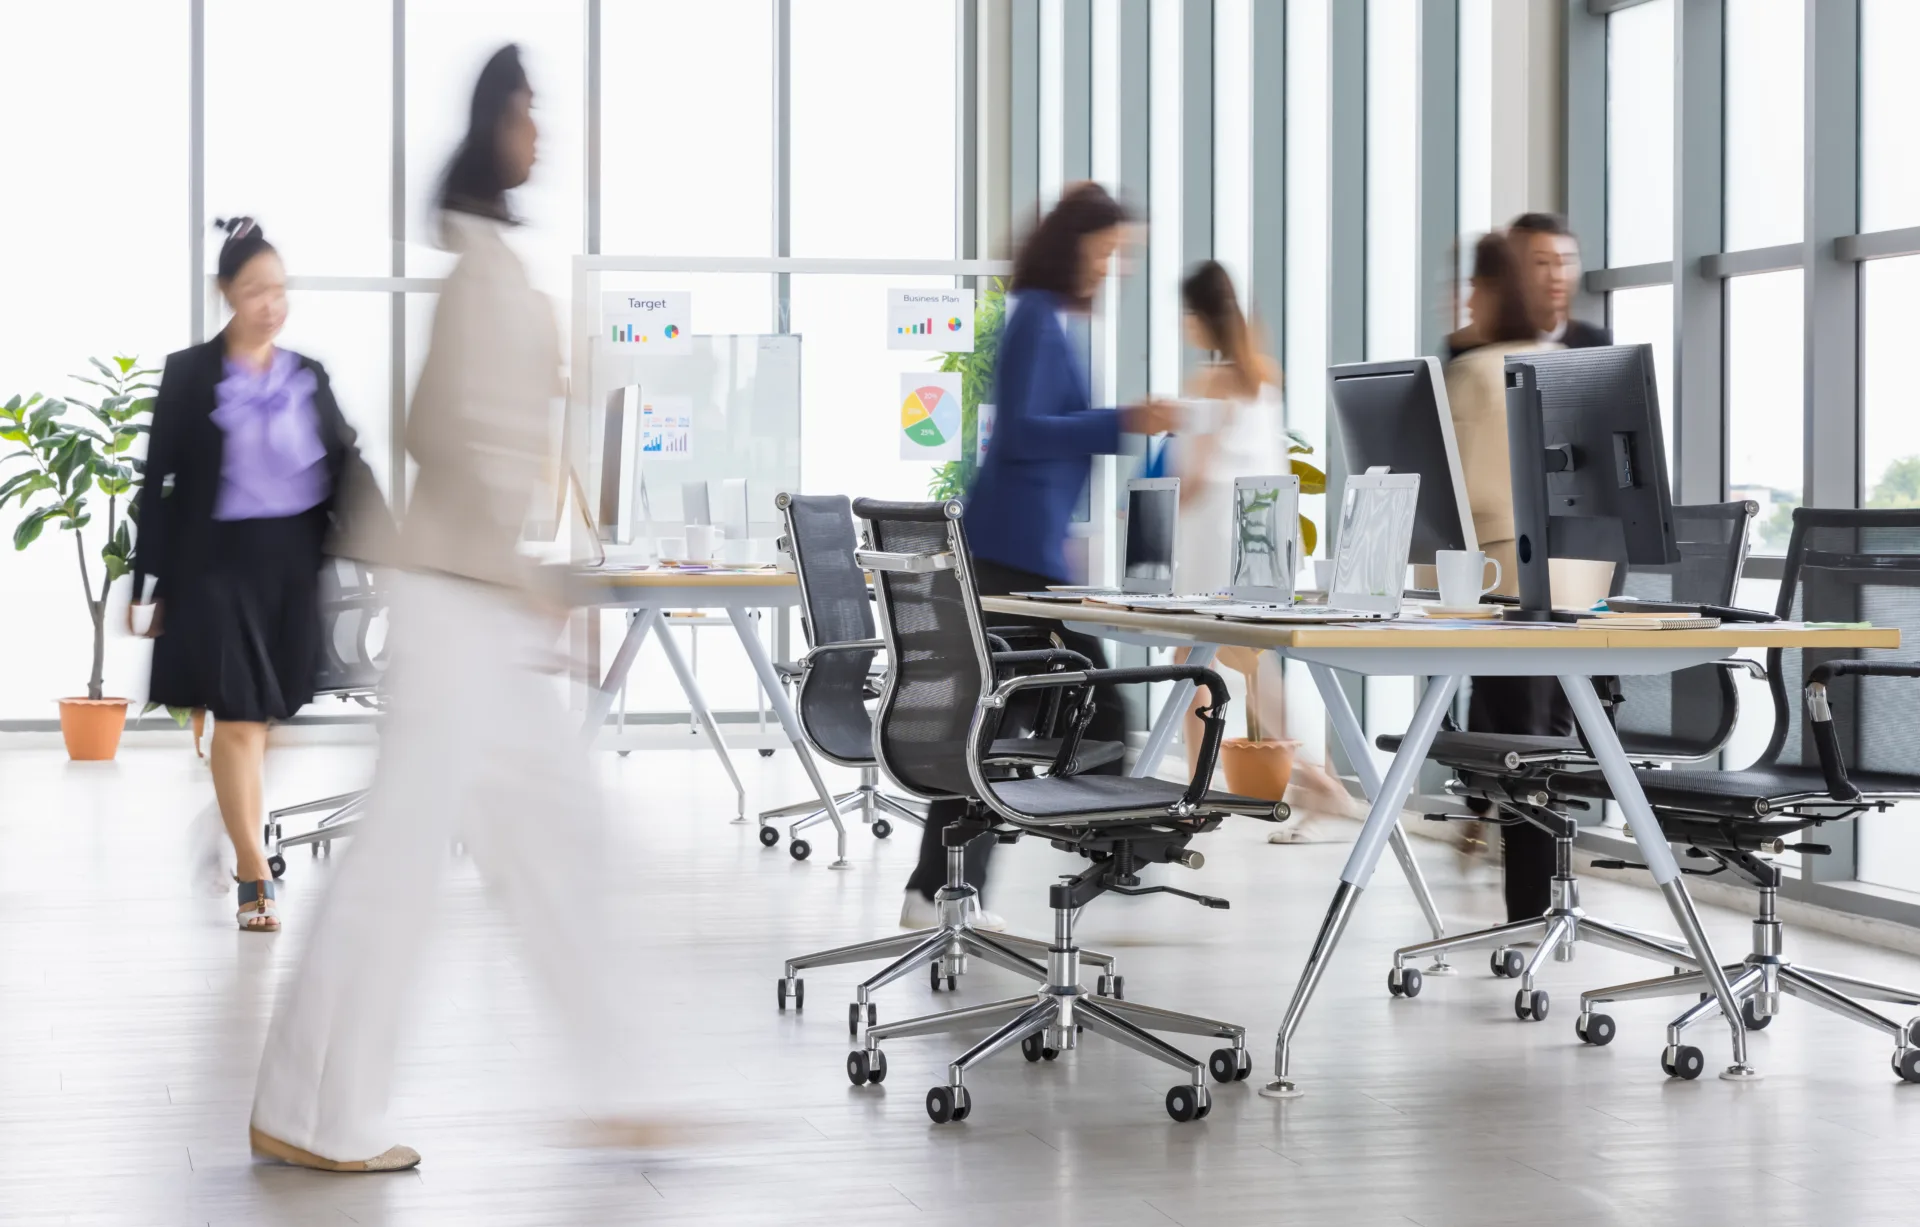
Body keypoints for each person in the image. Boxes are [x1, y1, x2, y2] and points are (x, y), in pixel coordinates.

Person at [250, 45, 649, 1174]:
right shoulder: (483, 274)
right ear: (495, 128)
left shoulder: (492, 266)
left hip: (469, 600)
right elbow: (442, 436)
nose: (542, 134)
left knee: (537, 839)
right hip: (460, 602)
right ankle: (319, 1113)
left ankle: (619, 1088)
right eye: (529, 113)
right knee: (412, 865)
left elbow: (468, 430)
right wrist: (529, 580)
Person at [899, 182, 1179, 928]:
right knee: (1069, 710)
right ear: (1072, 245)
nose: (1111, 268)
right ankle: (1095, 854)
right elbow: (1021, 432)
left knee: (1000, 724)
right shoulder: (1033, 319)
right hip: (1005, 558)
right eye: (1106, 251)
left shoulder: (1049, 321)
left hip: (1027, 554)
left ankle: (940, 888)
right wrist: (1123, 419)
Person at [130, 216, 372, 933]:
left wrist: (393, 543)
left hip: (291, 569)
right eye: (255, 290)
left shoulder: (307, 374)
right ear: (227, 293)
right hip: (214, 568)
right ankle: (250, 868)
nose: (271, 303)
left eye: (280, 289)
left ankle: (228, 821)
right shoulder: (190, 373)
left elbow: (348, 463)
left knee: (273, 720)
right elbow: (160, 480)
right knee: (238, 719)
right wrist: (148, 581)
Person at [1167, 260, 1346, 834]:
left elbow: (1193, 478)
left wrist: (1142, 509)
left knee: (1193, 662)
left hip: (1213, 535)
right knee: (1245, 664)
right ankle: (1312, 776)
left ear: (1197, 318)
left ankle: (1202, 789)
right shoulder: (1264, 373)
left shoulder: (1209, 383)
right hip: (1259, 533)